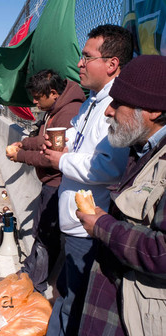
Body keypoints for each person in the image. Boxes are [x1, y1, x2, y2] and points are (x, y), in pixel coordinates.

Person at [42, 24, 133, 335]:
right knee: (66, 297)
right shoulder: (91, 103)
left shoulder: (116, 107)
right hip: (74, 222)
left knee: (75, 304)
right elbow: (78, 142)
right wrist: (60, 145)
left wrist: (62, 160)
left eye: (87, 56)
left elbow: (110, 167)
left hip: (90, 228)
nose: (79, 63)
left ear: (111, 64)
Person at [77, 55, 166, 336]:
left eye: (118, 103)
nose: (108, 111)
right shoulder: (141, 149)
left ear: (152, 111)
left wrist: (102, 226)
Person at [7, 69, 85, 293]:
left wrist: (20, 155)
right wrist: (26, 142)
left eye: (37, 97)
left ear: (52, 93)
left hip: (57, 183)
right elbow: (45, 141)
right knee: (41, 232)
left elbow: (51, 157)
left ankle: (35, 284)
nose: (33, 101)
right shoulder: (56, 108)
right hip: (50, 183)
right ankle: (29, 272)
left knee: (46, 236)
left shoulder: (69, 111)